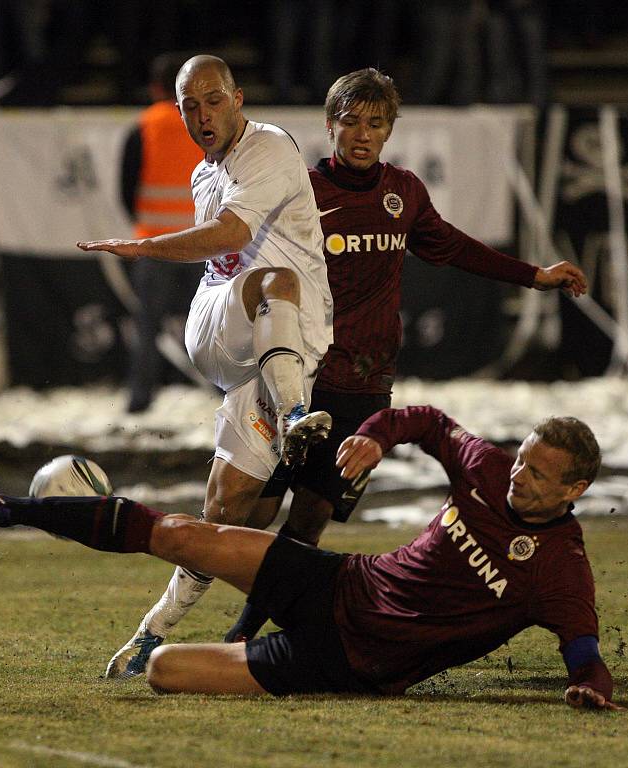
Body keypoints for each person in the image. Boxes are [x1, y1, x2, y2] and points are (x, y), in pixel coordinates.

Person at [224, 67, 588, 642]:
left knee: (311, 520)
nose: (362, 134)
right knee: (255, 514)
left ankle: (242, 634)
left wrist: (534, 275)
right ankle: (204, 604)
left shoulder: (404, 193)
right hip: (302, 382)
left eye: (375, 123)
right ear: (329, 126)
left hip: (366, 389)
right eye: (350, 122)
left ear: (390, 130)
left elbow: (450, 247)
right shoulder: (302, 192)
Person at [0, 405, 622, 710]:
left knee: (165, 671)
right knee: (185, 534)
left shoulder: (560, 568)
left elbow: (585, 652)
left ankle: (246, 634)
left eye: (537, 475)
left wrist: (590, 687)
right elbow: (427, 421)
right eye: (523, 461)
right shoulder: (488, 468)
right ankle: (7, 508)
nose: (518, 477)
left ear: (575, 490)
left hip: (354, 662)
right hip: (341, 580)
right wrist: (374, 436)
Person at [76, 55, 334, 678]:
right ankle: (296, 411)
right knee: (272, 279)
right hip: (225, 319)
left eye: (211, 101)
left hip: (268, 353)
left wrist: (144, 247)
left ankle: (151, 631)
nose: (199, 115)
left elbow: (230, 231)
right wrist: (143, 248)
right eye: (188, 105)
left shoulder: (268, 146)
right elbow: (227, 239)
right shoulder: (204, 173)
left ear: (238, 98)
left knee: (226, 510)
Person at [120, 53, 204, 413]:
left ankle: (140, 398)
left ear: (155, 87)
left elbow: (126, 188)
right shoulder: (204, 123)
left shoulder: (142, 126)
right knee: (210, 324)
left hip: (153, 243)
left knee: (147, 325)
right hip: (201, 243)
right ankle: (223, 393)